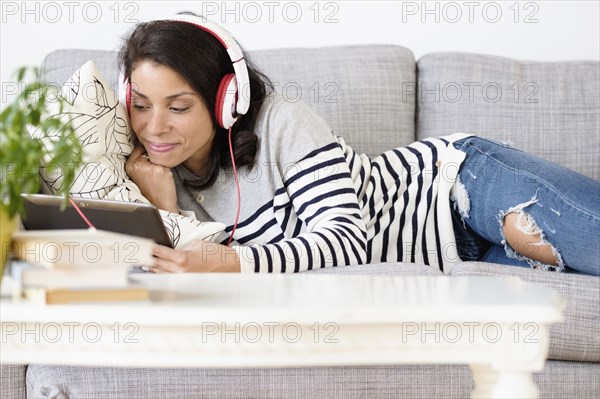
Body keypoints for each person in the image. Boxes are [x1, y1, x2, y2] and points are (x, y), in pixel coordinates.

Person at [120, 14, 600, 276]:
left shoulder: (282, 121)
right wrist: (165, 208)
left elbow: (348, 240)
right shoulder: (151, 175)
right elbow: (175, 274)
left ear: (227, 101)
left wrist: (233, 259)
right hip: (456, 255)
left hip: (456, 187)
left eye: (178, 107)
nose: (154, 127)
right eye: (141, 105)